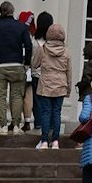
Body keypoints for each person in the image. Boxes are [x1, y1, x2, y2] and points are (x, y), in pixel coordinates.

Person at [0, 0, 33, 133]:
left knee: (0, 96)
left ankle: (2, 125)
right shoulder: (21, 27)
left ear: (1, 12)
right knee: (17, 96)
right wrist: (27, 63)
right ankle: (15, 125)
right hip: (17, 64)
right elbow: (28, 46)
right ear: (12, 11)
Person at [31, 21, 70, 149]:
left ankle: (44, 141)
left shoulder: (43, 49)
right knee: (56, 113)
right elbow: (69, 72)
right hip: (60, 85)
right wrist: (68, 88)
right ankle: (55, 141)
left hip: (46, 84)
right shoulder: (66, 52)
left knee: (46, 113)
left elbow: (34, 64)